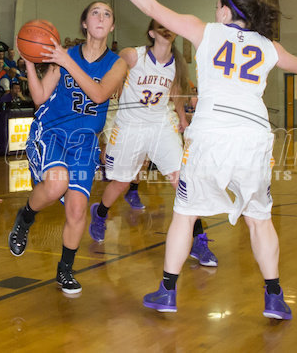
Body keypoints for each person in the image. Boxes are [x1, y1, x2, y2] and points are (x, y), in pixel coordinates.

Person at [96, 0, 297, 318]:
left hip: (211, 134)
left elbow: (152, 6)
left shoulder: (205, 31)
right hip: (254, 137)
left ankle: (168, 291)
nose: (214, 11)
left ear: (226, 11)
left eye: (217, 6)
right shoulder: (268, 45)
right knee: (260, 220)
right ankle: (274, 297)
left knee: (185, 214)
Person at [7, 0, 128, 295]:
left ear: (112, 26)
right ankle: (25, 216)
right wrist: (29, 63)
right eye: (95, 13)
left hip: (85, 142)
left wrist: (64, 60)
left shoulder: (117, 63)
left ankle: (65, 270)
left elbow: (99, 94)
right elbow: (39, 98)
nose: (101, 17)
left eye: (107, 14)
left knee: (77, 210)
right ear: (85, 23)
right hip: (52, 133)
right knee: (56, 184)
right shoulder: (67, 55)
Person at [88, 19, 217, 266]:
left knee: (181, 181)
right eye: (161, 26)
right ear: (151, 33)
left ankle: (199, 240)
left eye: (170, 26)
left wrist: (182, 118)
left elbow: (176, 92)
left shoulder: (176, 63)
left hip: (161, 125)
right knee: (122, 182)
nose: (167, 29)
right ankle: (100, 213)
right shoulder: (133, 55)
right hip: (130, 126)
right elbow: (109, 72)